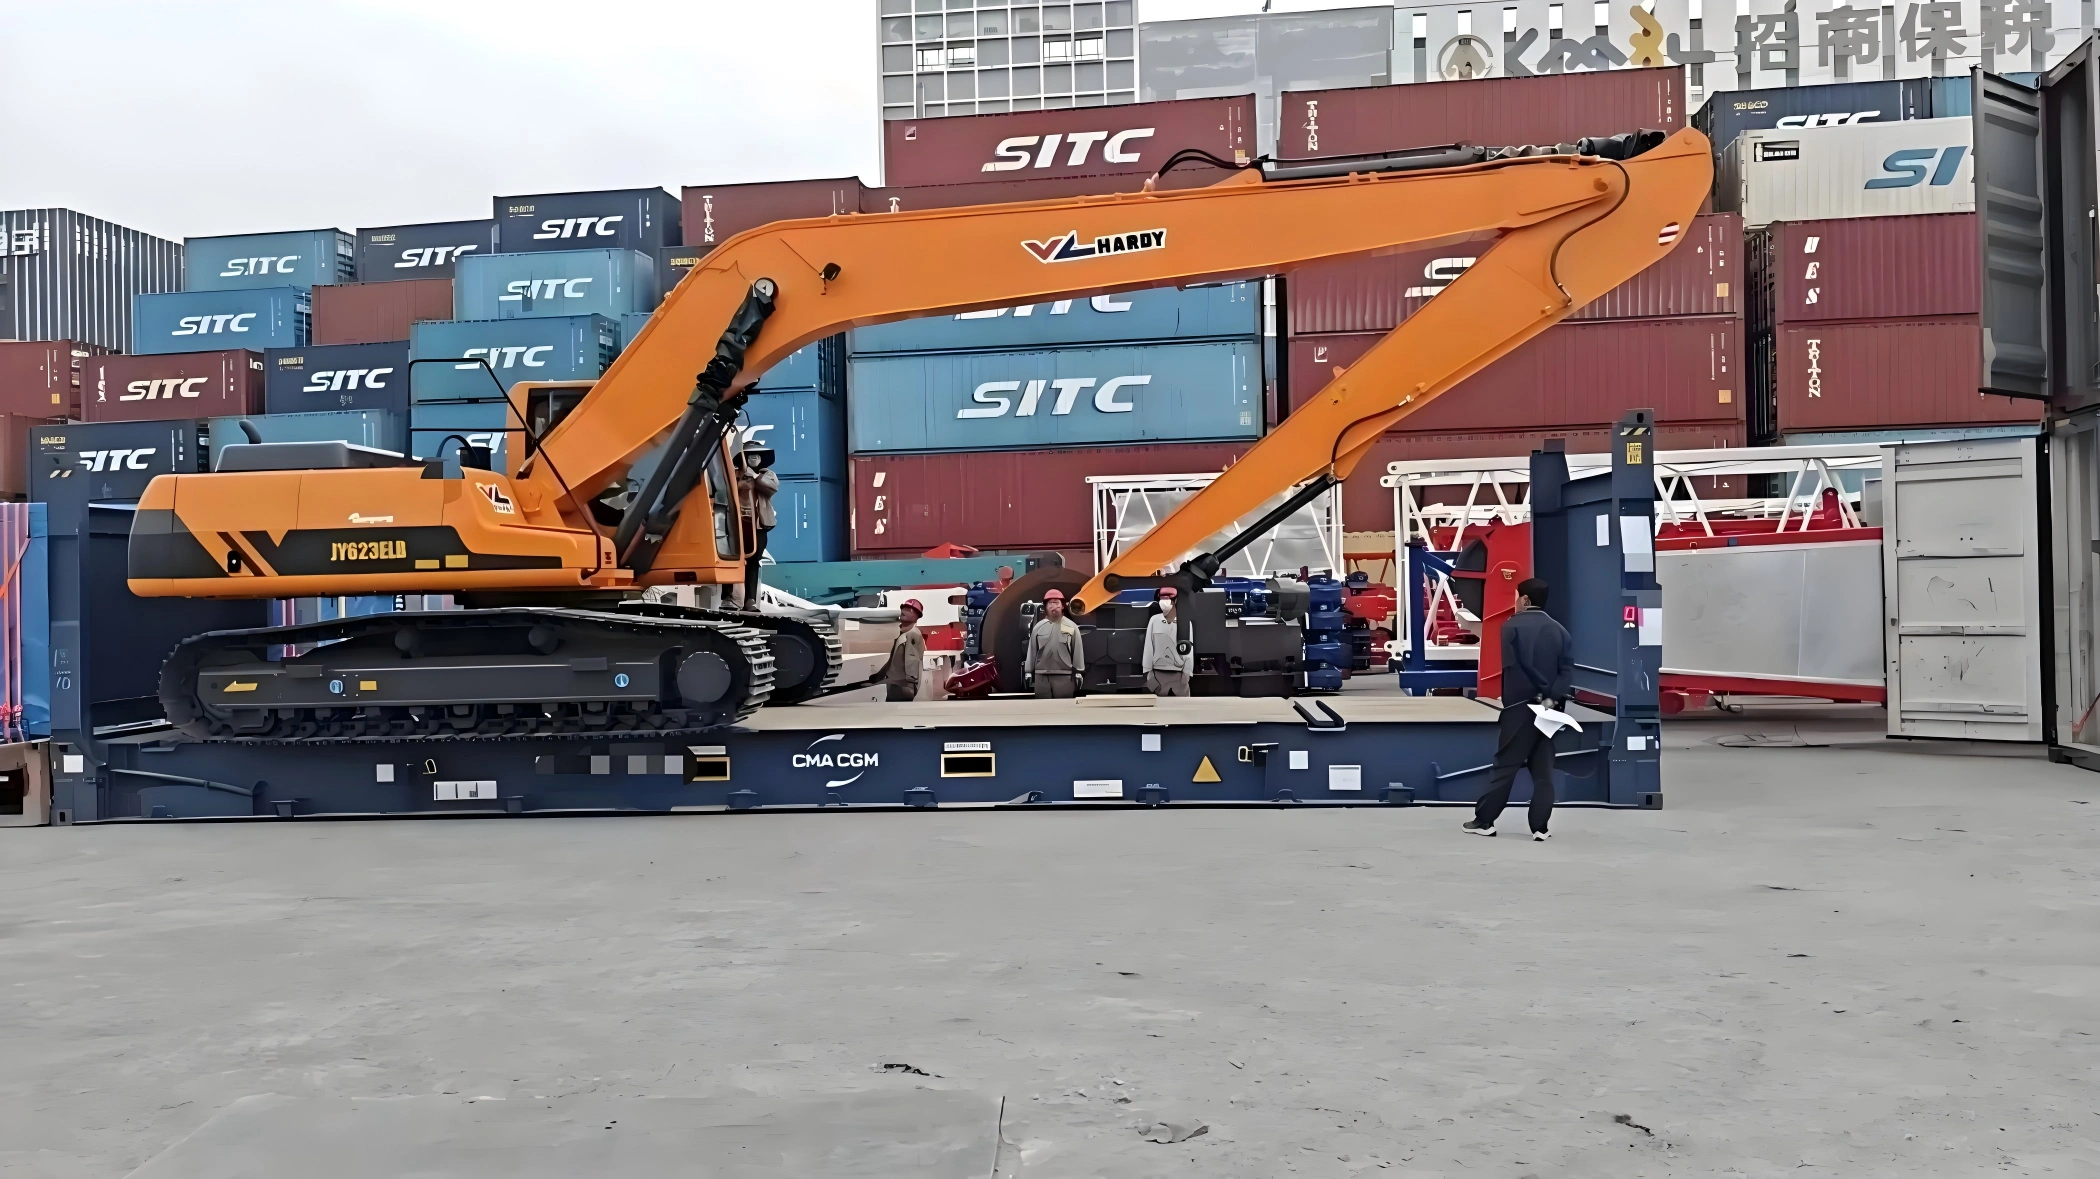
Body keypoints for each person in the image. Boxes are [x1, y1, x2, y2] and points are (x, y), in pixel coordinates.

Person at [1464, 577, 1574, 841]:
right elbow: (1566, 672)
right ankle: (1540, 827)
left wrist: (1534, 693)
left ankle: (1485, 820)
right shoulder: (1561, 631)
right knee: (1543, 769)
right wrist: (1549, 698)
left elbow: (1516, 666)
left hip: (1519, 707)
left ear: (1525, 600)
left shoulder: (1511, 627)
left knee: (1506, 766)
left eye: (1516, 597)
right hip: (1550, 709)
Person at [734, 441, 779, 608]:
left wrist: (754, 476)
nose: (754, 458)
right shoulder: (735, 474)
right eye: (750, 455)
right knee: (732, 559)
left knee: (754, 562)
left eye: (757, 455)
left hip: (758, 526)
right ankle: (729, 598)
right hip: (737, 525)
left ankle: (750, 600)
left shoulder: (767, 475)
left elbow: (771, 488)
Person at [1025, 589, 1084, 699]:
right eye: (1050, 603)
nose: (1053, 606)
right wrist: (1028, 671)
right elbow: (1032, 650)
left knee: (1064, 708)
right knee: (1043, 709)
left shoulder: (1072, 626)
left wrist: (1078, 671)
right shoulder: (1038, 627)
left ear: (1063, 606)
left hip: (1065, 676)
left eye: (1057, 603)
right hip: (1041, 676)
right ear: (1045, 606)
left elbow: (1077, 650)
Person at [870, 598, 926, 702]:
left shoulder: (913, 634)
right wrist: (879, 675)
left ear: (917, 616)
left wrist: (910, 685)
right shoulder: (899, 633)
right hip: (895, 682)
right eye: (904, 608)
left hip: (902, 684)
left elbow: (912, 662)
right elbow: (892, 661)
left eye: (910, 610)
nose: (904, 611)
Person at [1141, 587, 1191, 696]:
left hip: (1179, 673)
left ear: (1175, 600)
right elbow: (1148, 647)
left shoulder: (1185, 622)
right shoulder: (1154, 620)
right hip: (1158, 672)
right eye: (1162, 598)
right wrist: (1148, 672)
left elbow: (1189, 649)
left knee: (1182, 707)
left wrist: (1187, 673)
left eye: (1167, 598)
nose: (1164, 602)